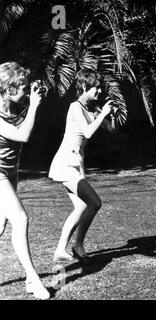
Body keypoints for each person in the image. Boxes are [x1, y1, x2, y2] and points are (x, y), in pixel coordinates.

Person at [48, 68, 115, 264]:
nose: (100, 92)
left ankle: (61, 249)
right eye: (96, 88)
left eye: (100, 88)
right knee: (94, 202)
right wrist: (102, 115)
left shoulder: (92, 109)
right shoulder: (74, 107)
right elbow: (87, 133)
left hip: (76, 164)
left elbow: (111, 129)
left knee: (80, 207)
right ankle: (78, 245)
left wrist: (110, 115)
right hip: (65, 163)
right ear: (84, 86)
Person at [0, 62, 50, 299]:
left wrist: (34, 96)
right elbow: (23, 135)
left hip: (11, 172)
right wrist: (35, 106)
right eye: (22, 89)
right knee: (20, 218)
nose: (26, 92)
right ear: (8, 89)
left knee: (0, 226)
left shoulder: (17, 105)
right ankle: (32, 278)